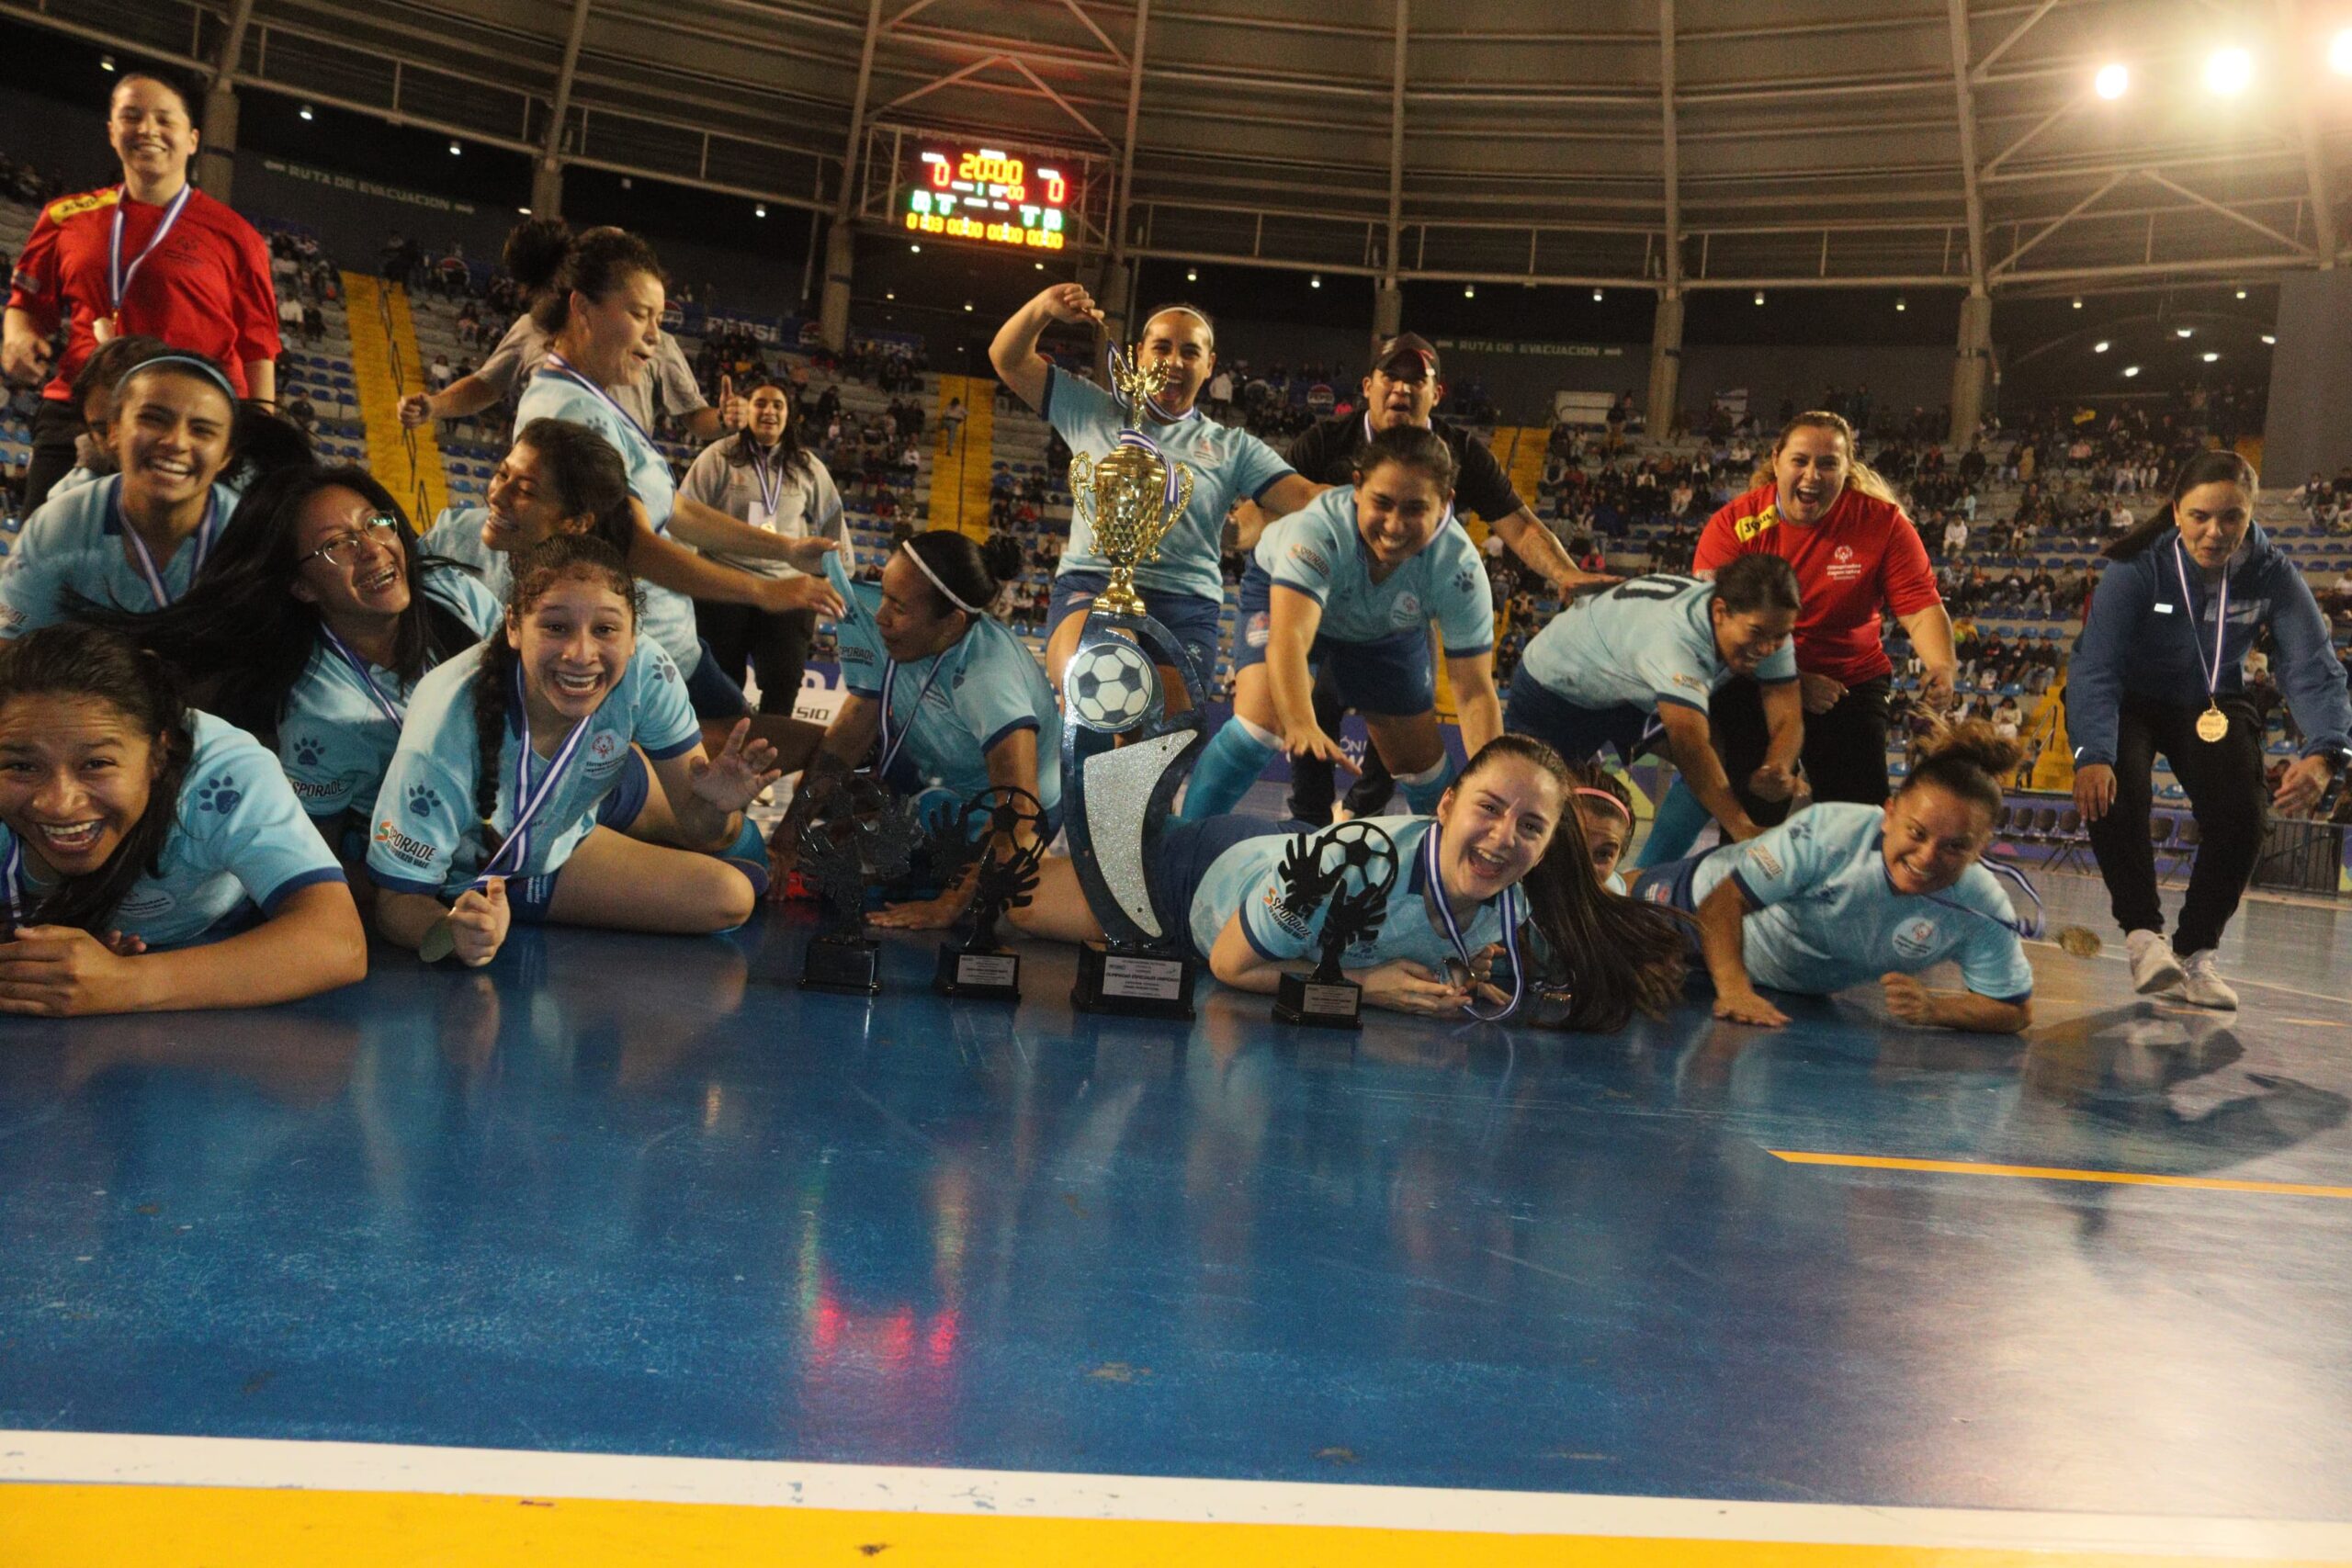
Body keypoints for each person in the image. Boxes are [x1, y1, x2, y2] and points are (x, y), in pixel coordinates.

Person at [1012, 734, 1690, 1030]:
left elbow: (1610, 905)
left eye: (1531, 827)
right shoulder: (1348, 862)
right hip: (1189, 886)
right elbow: (1227, 961)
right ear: (1447, 803)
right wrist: (1365, 989)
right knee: (1012, 901)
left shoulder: (1517, 900)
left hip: (1272, 879)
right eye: (1489, 807)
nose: (1503, 837)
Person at [368, 536, 779, 967]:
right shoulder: (443, 735)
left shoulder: (649, 673)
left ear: (634, 634)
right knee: (729, 898)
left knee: (739, 840)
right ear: (513, 626)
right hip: (494, 865)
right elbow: (396, 902)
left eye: (605, 629)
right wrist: (453, 931)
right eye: (555, 627)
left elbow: (702, 827)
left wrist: (716, 808)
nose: (581, 654)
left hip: (584, 799)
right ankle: (528, 882)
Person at [78, 464, 500, 878]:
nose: (373, 549)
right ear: (302, 587)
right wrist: (425, 895)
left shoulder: (452, 592)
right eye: (337, 544)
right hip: (429, 867)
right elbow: (319, 863)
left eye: (376, 523)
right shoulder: (324, 714)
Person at [1271, 333, 1614, 823]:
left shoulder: (1461, 452)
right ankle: (1308, 820)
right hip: (1326, 604)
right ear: (1368, 385)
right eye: (1392, 376)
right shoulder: (1325, 442)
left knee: (1405, 712)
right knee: (1315, 695)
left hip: (1403, 610)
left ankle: (1379, 811)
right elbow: (1266, 504)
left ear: (1437, 393)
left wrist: (1565, 572)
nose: (1402, 390)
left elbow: (1516, 521)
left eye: (1418, 380)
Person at [502, 230, 844, 720]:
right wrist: (762, 589)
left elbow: (675, 510)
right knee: (736, 766)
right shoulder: (571, 413)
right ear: (582, 310)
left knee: (744, 762)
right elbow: (631, 545)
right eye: (640, 314)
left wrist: (785, 549)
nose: (654, 335)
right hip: (633, 663)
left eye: (659, 319)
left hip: (668, 647)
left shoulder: (594, 400)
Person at [2065, 451, 2352, 1010]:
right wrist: (2092, 751)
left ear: (2250, 515)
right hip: (2127, 699)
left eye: (2231, 518)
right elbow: (2095, 664)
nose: (2214, 532)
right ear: (2176, 512)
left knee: (2245, 818)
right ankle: (2144, 938)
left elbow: (2312, 667)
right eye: (2199, 516)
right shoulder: (2138, 568)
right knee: (2116, 791)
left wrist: (2325, 753)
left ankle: (2196, 955)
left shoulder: (2271, 573)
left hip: (2210, 701)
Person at [1637, 410, 1957, 867]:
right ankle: (1711, 903)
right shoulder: (1735, 526)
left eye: (1828, 464)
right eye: (1800, 461)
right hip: (1751, 677)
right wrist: (1792, 680)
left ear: (1847, 469)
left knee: (1860, 820)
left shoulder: (1882, 524)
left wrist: (1940, 666)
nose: (1812, 475)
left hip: (1850, 682)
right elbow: (1715, 633)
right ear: (1777, 460)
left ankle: (1844, 919)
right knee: (1753, 803)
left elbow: (1921, 608)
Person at [0, 623, 366, 1015]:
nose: (59, 804)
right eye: (22, 766)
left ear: (159, 754)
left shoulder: (222, 774)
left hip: (223, 935)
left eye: (96, 764)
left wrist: (124, 982)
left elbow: (335, 942)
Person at [989, 285, 1321, 698]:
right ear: (1140, 353)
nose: (1174, 361)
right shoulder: (1092, 410)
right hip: (1092, 586)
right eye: (1161, 348)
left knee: (1159, 749)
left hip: (1186, 605)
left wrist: (1383, 499)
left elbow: (1307, 499)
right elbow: (1008, 360)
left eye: (1190, 352)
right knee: (1105, 678)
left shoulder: (1232, 447)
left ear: (1210, 365)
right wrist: (1042, 309)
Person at [1634, 723, 2038, 1035]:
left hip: (1781, 984)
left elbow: (2014, 1009)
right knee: (1600, 906)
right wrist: (1736, 991)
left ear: (1982, 846)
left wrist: (1936, 1009)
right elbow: (1722, 904)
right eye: (1916, 832)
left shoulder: (1980, 905)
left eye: (1954, 847)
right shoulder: (1830, 833)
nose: (1927, 857)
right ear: (1890, 813)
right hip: (1689, 906)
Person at [1181, 425, 1498, 820]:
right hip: (1289, 605)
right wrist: (1299, 721)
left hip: (1383, 632)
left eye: (1415, 509)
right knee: (1261, 728)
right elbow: (1291, 638)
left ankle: (1455, 864)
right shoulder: (1318, 528)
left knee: (1424, 772)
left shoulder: (1460, 568)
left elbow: (1473, 692)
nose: (1395, 526)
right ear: (1357, 486)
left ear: (1445, 503)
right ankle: (1180, 841)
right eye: (1382, 503)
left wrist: (1495, 785)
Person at [3, 73, 280, 512]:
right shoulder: (65, 216)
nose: (147, 129)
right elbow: (26, 307)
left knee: (185, 574)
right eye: (132, 116)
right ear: (113, 132)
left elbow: (258, 346)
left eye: (164, 120)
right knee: (47, 565)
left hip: (188, 427)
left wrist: (263, 439)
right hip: (83, 416)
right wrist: (16, 337)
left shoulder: (236, 235)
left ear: (192, 140)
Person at [772, 531, 1061, 928]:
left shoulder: (986, 677)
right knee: (821, 853)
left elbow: (1021, 807)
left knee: (861, 874)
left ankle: (954, 875)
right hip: (943, 793)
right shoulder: (894, 627)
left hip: (1015, 817)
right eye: (884, 594)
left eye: (898, 606)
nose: (879, 617)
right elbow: (847, 737)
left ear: (953, 622)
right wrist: (786, 838)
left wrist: (950, 903)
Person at [1508, 557, 1803, 846]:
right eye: (1757, 634)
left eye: (1781, 636)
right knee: (1535, 803)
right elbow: (1689, 745)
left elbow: (1787, 707)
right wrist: (1743, 828)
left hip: (1627, 685)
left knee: (1718, 761)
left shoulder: (1765, 620)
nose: (1768, 648)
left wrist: (1778, 765)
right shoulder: (1677, 639)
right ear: (1720, 612)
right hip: (1554, 688)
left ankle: (1648, 879)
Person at [396, 219, 739, 443]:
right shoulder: (533, 328)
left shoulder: (657, 341)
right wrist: (435, 405)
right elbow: (487, 384)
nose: (650, 333)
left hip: (621, 486)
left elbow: (694, 415)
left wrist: (724, 419)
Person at [1, 353, 253, 637]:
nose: (176, 442)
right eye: (153, 419)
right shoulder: (61, 521)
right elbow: (9, 638)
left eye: (202, 430)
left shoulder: (254, 537)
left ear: (226, 455)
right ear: (114, 432)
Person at [678, 377, 841, 716]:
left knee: (785, 680)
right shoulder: (718, 456)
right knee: (720, 681)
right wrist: (679, 574)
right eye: (761, 404)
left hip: (787, 586)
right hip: (723, 585)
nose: (769, 411)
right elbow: (682, 513)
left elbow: (832, 517)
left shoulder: (806, 466)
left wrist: (841, 578)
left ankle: (772, 762)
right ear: (747, 412)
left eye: (778, 405)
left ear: (789, 415)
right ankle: (718, 754)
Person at [1564, 760, 1634, 896]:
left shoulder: (1615, 900)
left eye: (1603, 854)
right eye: (1572, 846)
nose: (1586, 868)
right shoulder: (1515, 894)